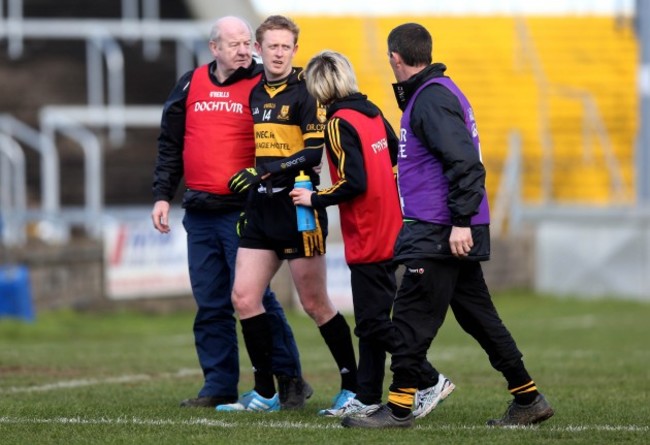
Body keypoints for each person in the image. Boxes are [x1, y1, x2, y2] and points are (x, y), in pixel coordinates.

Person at [342, 23, 555, 428]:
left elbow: (466, 165)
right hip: (447, 227)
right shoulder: (437, 92)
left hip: (440, 229)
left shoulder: (430, 99)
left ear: (395, 58)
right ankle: (528, 397)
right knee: (480, 318)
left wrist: (460, 222)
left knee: (408, 317)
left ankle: (401, 407)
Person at [151, 16, 311, 410]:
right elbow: (170, 143)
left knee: (255, 298)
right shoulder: (190, 84)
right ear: (214, 48)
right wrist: (160, 195)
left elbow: (287, 139)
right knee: (211, 303)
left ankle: (288, 378)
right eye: (235, 44)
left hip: (245, 211)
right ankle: (219, 385)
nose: (244, 50)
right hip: (200, 210)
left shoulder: (265, 84)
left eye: (247, 43)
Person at [291, 50, 454, 419]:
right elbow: (396, 155)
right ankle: (366, 397)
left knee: (373, 323)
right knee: (372, 321)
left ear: (320, 86)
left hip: (367, 233)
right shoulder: (373, 112)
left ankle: (428, 378)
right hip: (392, 226)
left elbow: (354, 182)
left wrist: (313, 197)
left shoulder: (337, 122)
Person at [215, 15, 358, 413]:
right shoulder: (256, 91)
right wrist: (257, 185)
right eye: (271, 46)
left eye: (285, 46)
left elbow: (313, 153)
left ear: (295, 50)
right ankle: (264, 392)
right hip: (263, 207)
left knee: (315, 304)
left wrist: (264, 172)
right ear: (258, 50)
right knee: (244, 298)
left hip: (300, 204)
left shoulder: (307, 91)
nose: (278, 53)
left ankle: (353, 385)